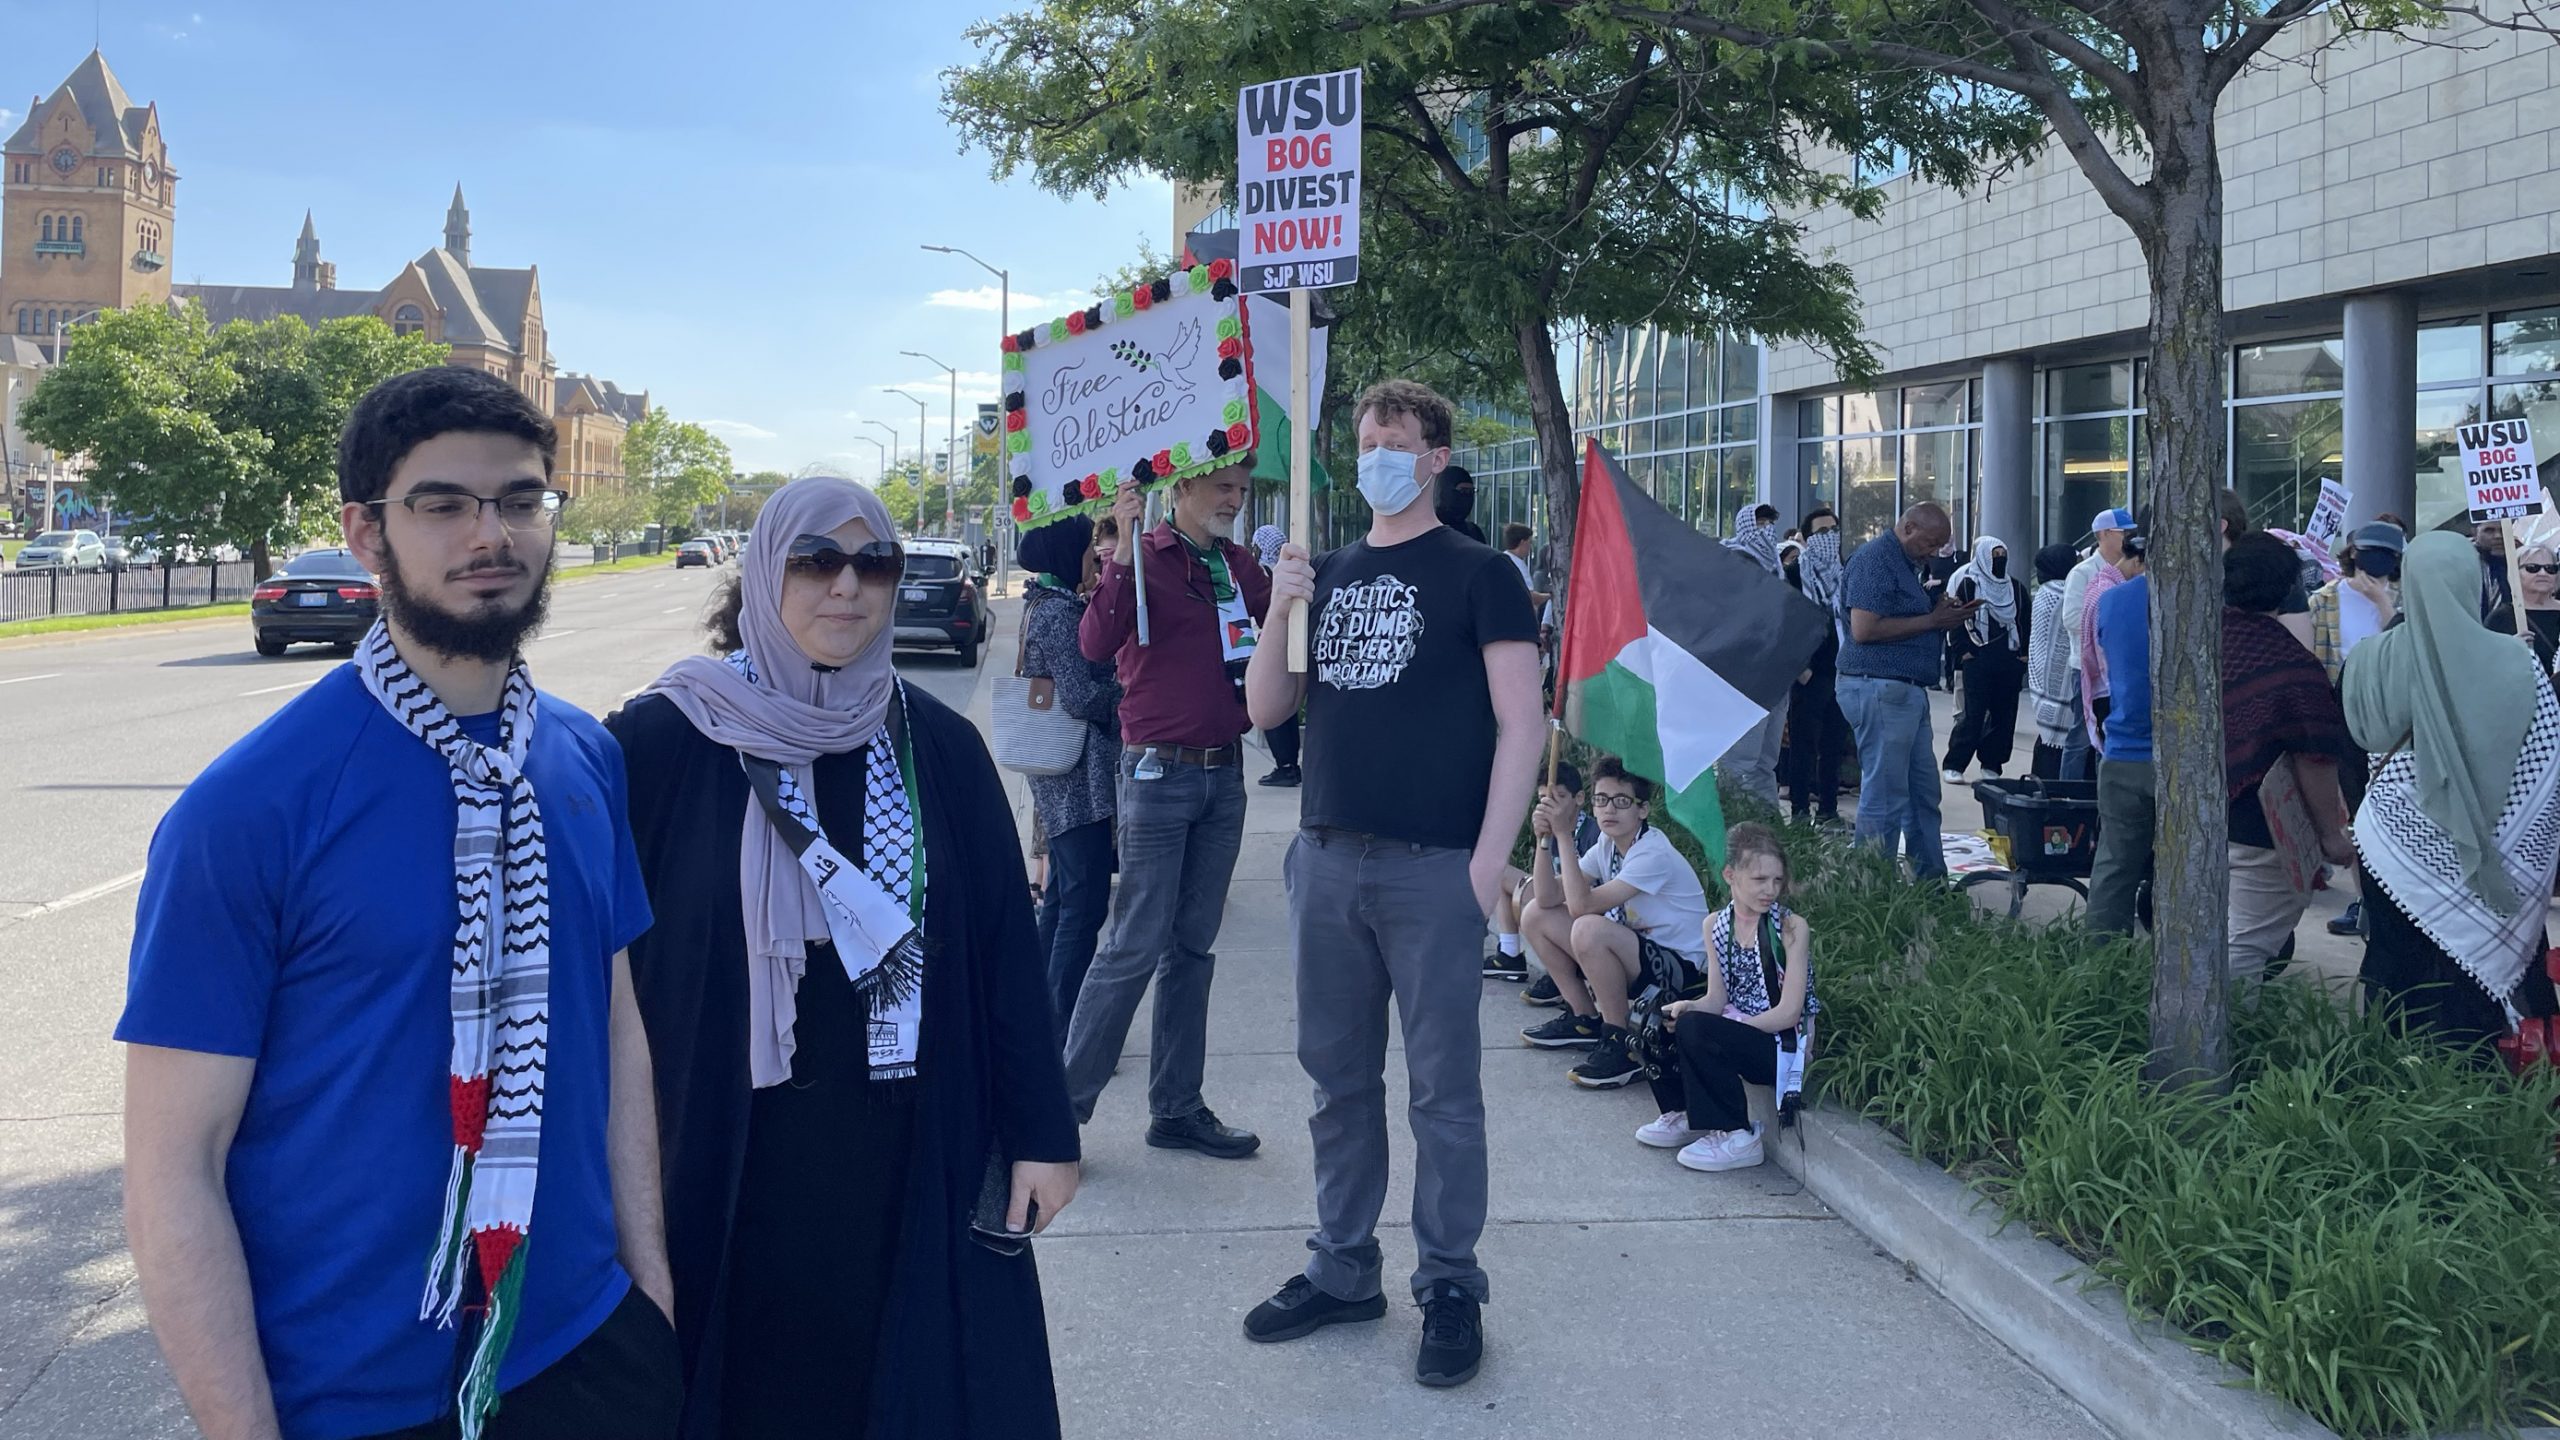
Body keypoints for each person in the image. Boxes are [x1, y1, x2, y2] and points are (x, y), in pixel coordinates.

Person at [119, 367, 679, 1440]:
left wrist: (646, 1291)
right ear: (366, 534)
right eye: (443, 504)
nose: (493, 534)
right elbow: (172, 1170)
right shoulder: (248, 811)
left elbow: (613, 1028)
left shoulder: (582, 758)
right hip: (350, 1400)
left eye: (521, 500)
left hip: (585, 1351)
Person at [610, 478, 1079, 1439]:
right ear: (761, 576)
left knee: (889, 1381)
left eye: (875, 564)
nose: (847, 587)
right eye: (817, 561)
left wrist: (1043, 1134)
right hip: (721, 1143)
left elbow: (1001, 951)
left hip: (900, 1143)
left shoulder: (937, 747)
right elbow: (596, 963)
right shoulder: (664, 742)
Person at [1241, 378, 1542, 1389]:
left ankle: (1449, 1283)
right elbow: (1265, 709)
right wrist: (1285, 601)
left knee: (1443, 1093)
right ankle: (1342, 1267)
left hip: (1431, 871)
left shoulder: (1480, 575)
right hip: (1326, 857)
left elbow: (1522, 723)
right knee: (1336, 1081)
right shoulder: (1322, 570)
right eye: (1367, 438)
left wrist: (1488, 861)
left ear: (1433, 460)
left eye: (1397, 440)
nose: (1377, 452)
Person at [1064, 464, 1271, 1158]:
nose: (1234, 502)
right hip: (1157, 773)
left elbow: (1279, 638)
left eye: (1242, 491)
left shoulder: (1241, 568)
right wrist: (1120, 551)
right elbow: (1094, 645)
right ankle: (1059, 1117)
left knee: (1192, 947)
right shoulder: (1139, 557)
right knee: (1133, 945)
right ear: (1181, 489)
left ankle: (1177, 1107)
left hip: (1225, 774)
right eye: (1223, 488)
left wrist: (1299, 590)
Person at [2345, 530, 2560, 1055]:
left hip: (2393, 844)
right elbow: (2547, 761)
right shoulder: (2518, 662)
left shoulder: (2370, 658)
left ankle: (2394, 1072)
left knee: (2399, 960)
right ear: (2477, 584)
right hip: (2501, 844)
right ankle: (2495, 1073)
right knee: (2497, 976)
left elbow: (2355, 749)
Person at [1517, 759, 1714, 1090]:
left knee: (1588, 928)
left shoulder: (1652, 852)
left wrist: (1564, 833)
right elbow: (1549, 897)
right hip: (1639, 956)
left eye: (1622, 801)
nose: (1609, 809)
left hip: (1682, 972)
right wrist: (1545, 838)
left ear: (1643, 810)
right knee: (1536, 913)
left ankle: (1622, 1043)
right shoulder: (1607, 846)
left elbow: (1581, 907)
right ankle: (1584, 1019)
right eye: (1601, 799)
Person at [1635, 823, 1816, 1173]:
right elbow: (1716, 998)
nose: (1771, 890)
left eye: (1777, 880)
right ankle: (1683, 1113)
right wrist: (1690, 1008)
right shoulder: (1715, 924)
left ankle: (1739, 1133)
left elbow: (1789, 1013)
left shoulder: (1791, 928)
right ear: (1731, 875)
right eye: (1760, 880)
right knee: (1659, 1017)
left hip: (1778, 1046)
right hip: (1737, 1029)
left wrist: (1728, 1026)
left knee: (1699, 1029)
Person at [2221, 532, 2357, 987]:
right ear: (2288, 590)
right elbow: (2313, 756)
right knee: (2246, 943)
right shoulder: (2293, 668)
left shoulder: (2195, 647)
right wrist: (2330, 837)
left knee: (2217, 933)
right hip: (2260, 828)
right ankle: (2218, 1045)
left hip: (2194, 813)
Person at [1018, 515, 1123, 1035]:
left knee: (1062, 899)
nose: (1093, 556)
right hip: (1073, 780)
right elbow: (1082, 697)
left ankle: (1034, 1016)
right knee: (1083, 906)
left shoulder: (1047, 604)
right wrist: (1131, 689)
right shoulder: (1057, 614)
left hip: (1065, 775)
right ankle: (1060, 1029)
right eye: (1086, 546)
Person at [1836, 502, 1979, 876]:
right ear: (1909, 527)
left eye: (1940, 547)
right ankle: (1870, 886)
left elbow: (1899, 615)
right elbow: (1864, 630)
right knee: (1885, 795)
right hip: (1878, 687)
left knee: (1922, 794)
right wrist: (1933, 620)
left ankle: (1930, 882)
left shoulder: (1905, 564)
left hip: (1903, 691)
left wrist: (1938, 610)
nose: (1933, 552)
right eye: (1930, 543)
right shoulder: (1875, 559)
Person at [2309, 521, 2406, 935]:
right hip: (2343, 720)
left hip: (2395, 724)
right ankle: (2365, 899)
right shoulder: (2323, 603)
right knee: (2354, 813)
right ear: (2352, 554)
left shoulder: (2407, 602)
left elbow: (2405, 650)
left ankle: (2390, 899)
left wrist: (2384, 603)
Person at [2085, 523, 2153, 935]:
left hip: (2123, 748)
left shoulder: (2111, 602)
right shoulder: (2207, 602)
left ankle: (2098, 971)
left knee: (2114, 867)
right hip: (2180, 758)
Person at [1484, 760, 1602, 984]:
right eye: (1543, 800)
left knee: (1539, 909)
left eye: (1558, 797)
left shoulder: (1593, 833)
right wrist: (1542, 839)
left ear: (1579, 799)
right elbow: (1546, 885)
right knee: (1499, 870)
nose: (1550, 806)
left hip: (1582, 908)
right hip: (1557, 895)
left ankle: (1562, 970)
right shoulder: (1551, 828)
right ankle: (1509, 954)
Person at [1940, 534, 2030, 785]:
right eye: (1994, 556)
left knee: (2004, 714)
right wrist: (1964, 651)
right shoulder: (1968, 585)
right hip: (1978, 658)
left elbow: (2024, 620)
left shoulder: (2015, 588)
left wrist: (2022, 654)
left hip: (2008, 661)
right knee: (1973, 714)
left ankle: (1992, 763)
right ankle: (1955, 763)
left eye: (2003, 556)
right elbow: (1956, 619)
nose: (1999, 561)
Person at [1717, 501, 1791, 805]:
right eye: (1759, 523)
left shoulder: (1773, 564)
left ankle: (1768, 831)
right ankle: (1736, 832)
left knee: (1764, 763)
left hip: (1775, 674)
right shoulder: (1733, 559)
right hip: (1743, 678)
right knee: (1738, 764)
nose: (1765, 531)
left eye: (1769, 524)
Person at [1784, 507, 1850, 824]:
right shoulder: (1795, 574)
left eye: (1833, 530)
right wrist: (1800, 667)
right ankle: (1799, 810)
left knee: (1834, 746)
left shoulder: (1846, 573)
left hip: (1842, 671)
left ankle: (1828, 809)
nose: (1828, 537)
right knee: (1803, 746)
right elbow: (1784, 623)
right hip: (1809, 674)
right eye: (1820, 532)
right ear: (1807, 538)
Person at [2066, 508, 2134, 743]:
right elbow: (2072, 618)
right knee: (2081, 736)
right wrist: (2108, 624)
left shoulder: (2131, 570)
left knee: (2110, 734)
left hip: (2119, 664)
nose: (2128, 538)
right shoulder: (2082, 573)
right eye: (2123, 532)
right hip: (2087, 665)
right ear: (2104, 534)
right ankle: (2069, 780)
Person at [2025, 544, 2088, 781]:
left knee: (2049, 745)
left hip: (2043, 685)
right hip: (2059, 686)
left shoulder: (2045, 591)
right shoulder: (2062, 593)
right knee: (2062, 745)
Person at [1251, 522, 1303, 786]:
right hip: (1292, 644)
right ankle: (1289, 764)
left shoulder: (1268, 572)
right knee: (1288, 711)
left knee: (1274, 710)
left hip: (1276, 645)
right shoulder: (1292, 568)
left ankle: (1285, 766)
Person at [2485, 517, 2560, 674]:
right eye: (2532, 568)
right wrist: (2512, 650)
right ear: (2515, 573)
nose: (2543, 573)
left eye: (2550, 568)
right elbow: (2488, 666)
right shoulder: (2501, 618)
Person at [1501, 522, 1551, 615]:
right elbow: (1530, 596)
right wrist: (1550, 596)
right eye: (1530, 542)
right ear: (1522, 542)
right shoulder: (1517, 564)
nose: (1530, 547)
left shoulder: (1503, 560)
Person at [1436, 461, 1488, 543]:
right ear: (1445, 491)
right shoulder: (1426, 530)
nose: (1467, 496)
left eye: (1471, 491)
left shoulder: (1474, 532)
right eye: (1463, 491)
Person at [2477, 519, 2514, 622]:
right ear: (2475, 533)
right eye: (2489, 530)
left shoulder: (2529, 565)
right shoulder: (2465, 564)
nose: (2498, 536)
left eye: (2504, 530)